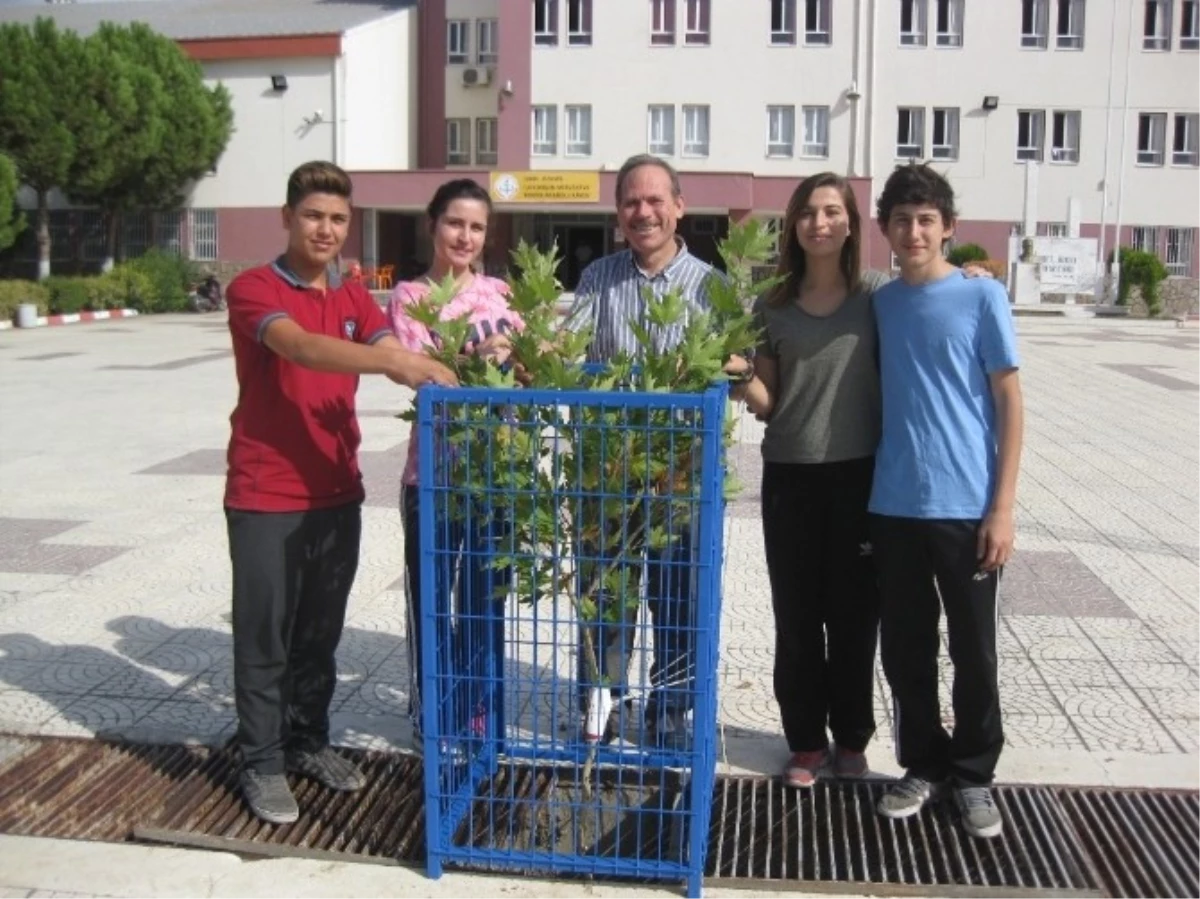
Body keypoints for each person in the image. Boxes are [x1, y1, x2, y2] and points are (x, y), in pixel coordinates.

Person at [224, 160, 457, 825]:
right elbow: (299, 348)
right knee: (264, 635)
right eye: (313, 216)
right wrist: (392, 359)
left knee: (318, 633)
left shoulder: (354, 295)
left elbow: (394, 345)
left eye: (337, 219)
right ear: (287, 217)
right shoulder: (253, 288)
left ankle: (307, 741)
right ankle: (262, 761)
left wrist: (460, 362)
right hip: (266, 491)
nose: (325, 229)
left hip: (336, 488)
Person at [868, 163, 1023, 839]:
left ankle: (976, 773)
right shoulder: (882, 302)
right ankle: (924, 763)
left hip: (967, 504)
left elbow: (1010, 400)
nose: (914, 230)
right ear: (886, 230)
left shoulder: (982, 298)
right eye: (902, 219)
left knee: (974, 648)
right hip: (895, 501)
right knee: (905, 646)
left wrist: (1004, 506)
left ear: (949, 227)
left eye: (927, 218)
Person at [728, 173, 884, 789]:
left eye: (830, 212)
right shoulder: (773, 305)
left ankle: (851, 739)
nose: (818, 223)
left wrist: (972, 277)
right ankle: (805, 745)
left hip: (862, 478)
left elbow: (932, 298)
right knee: (797, 620)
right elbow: (768, 399)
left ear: (850, 222)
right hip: (791, 475)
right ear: (793, 226)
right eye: (807, 214)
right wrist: (737, 374)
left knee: (854, 619)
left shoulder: (877, 296)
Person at [563, 154, 715, 750]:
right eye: (631, 201)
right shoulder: (599, 278)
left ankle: (670, 709)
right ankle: (599, 703)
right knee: (605, 593)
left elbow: (727, 368)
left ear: (679, 207)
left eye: (655, 200)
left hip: (678, 476)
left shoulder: (711, 286)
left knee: (676, 593)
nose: (643, 212)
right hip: (606, 472)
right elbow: (573, 357)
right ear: (617, 212)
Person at [387, 178, 523, 750]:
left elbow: (532, 367)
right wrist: (483, 360)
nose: (464, 236)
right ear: (433, 224)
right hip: (435, 479)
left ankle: (477, 712)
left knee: (483, 605)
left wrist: (526, 359)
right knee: (433, 602)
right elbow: (424, 374)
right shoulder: (410, 297)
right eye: (455, 223)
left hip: (499, 476)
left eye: (476, 227)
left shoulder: (504, 295)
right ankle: (431, 712)